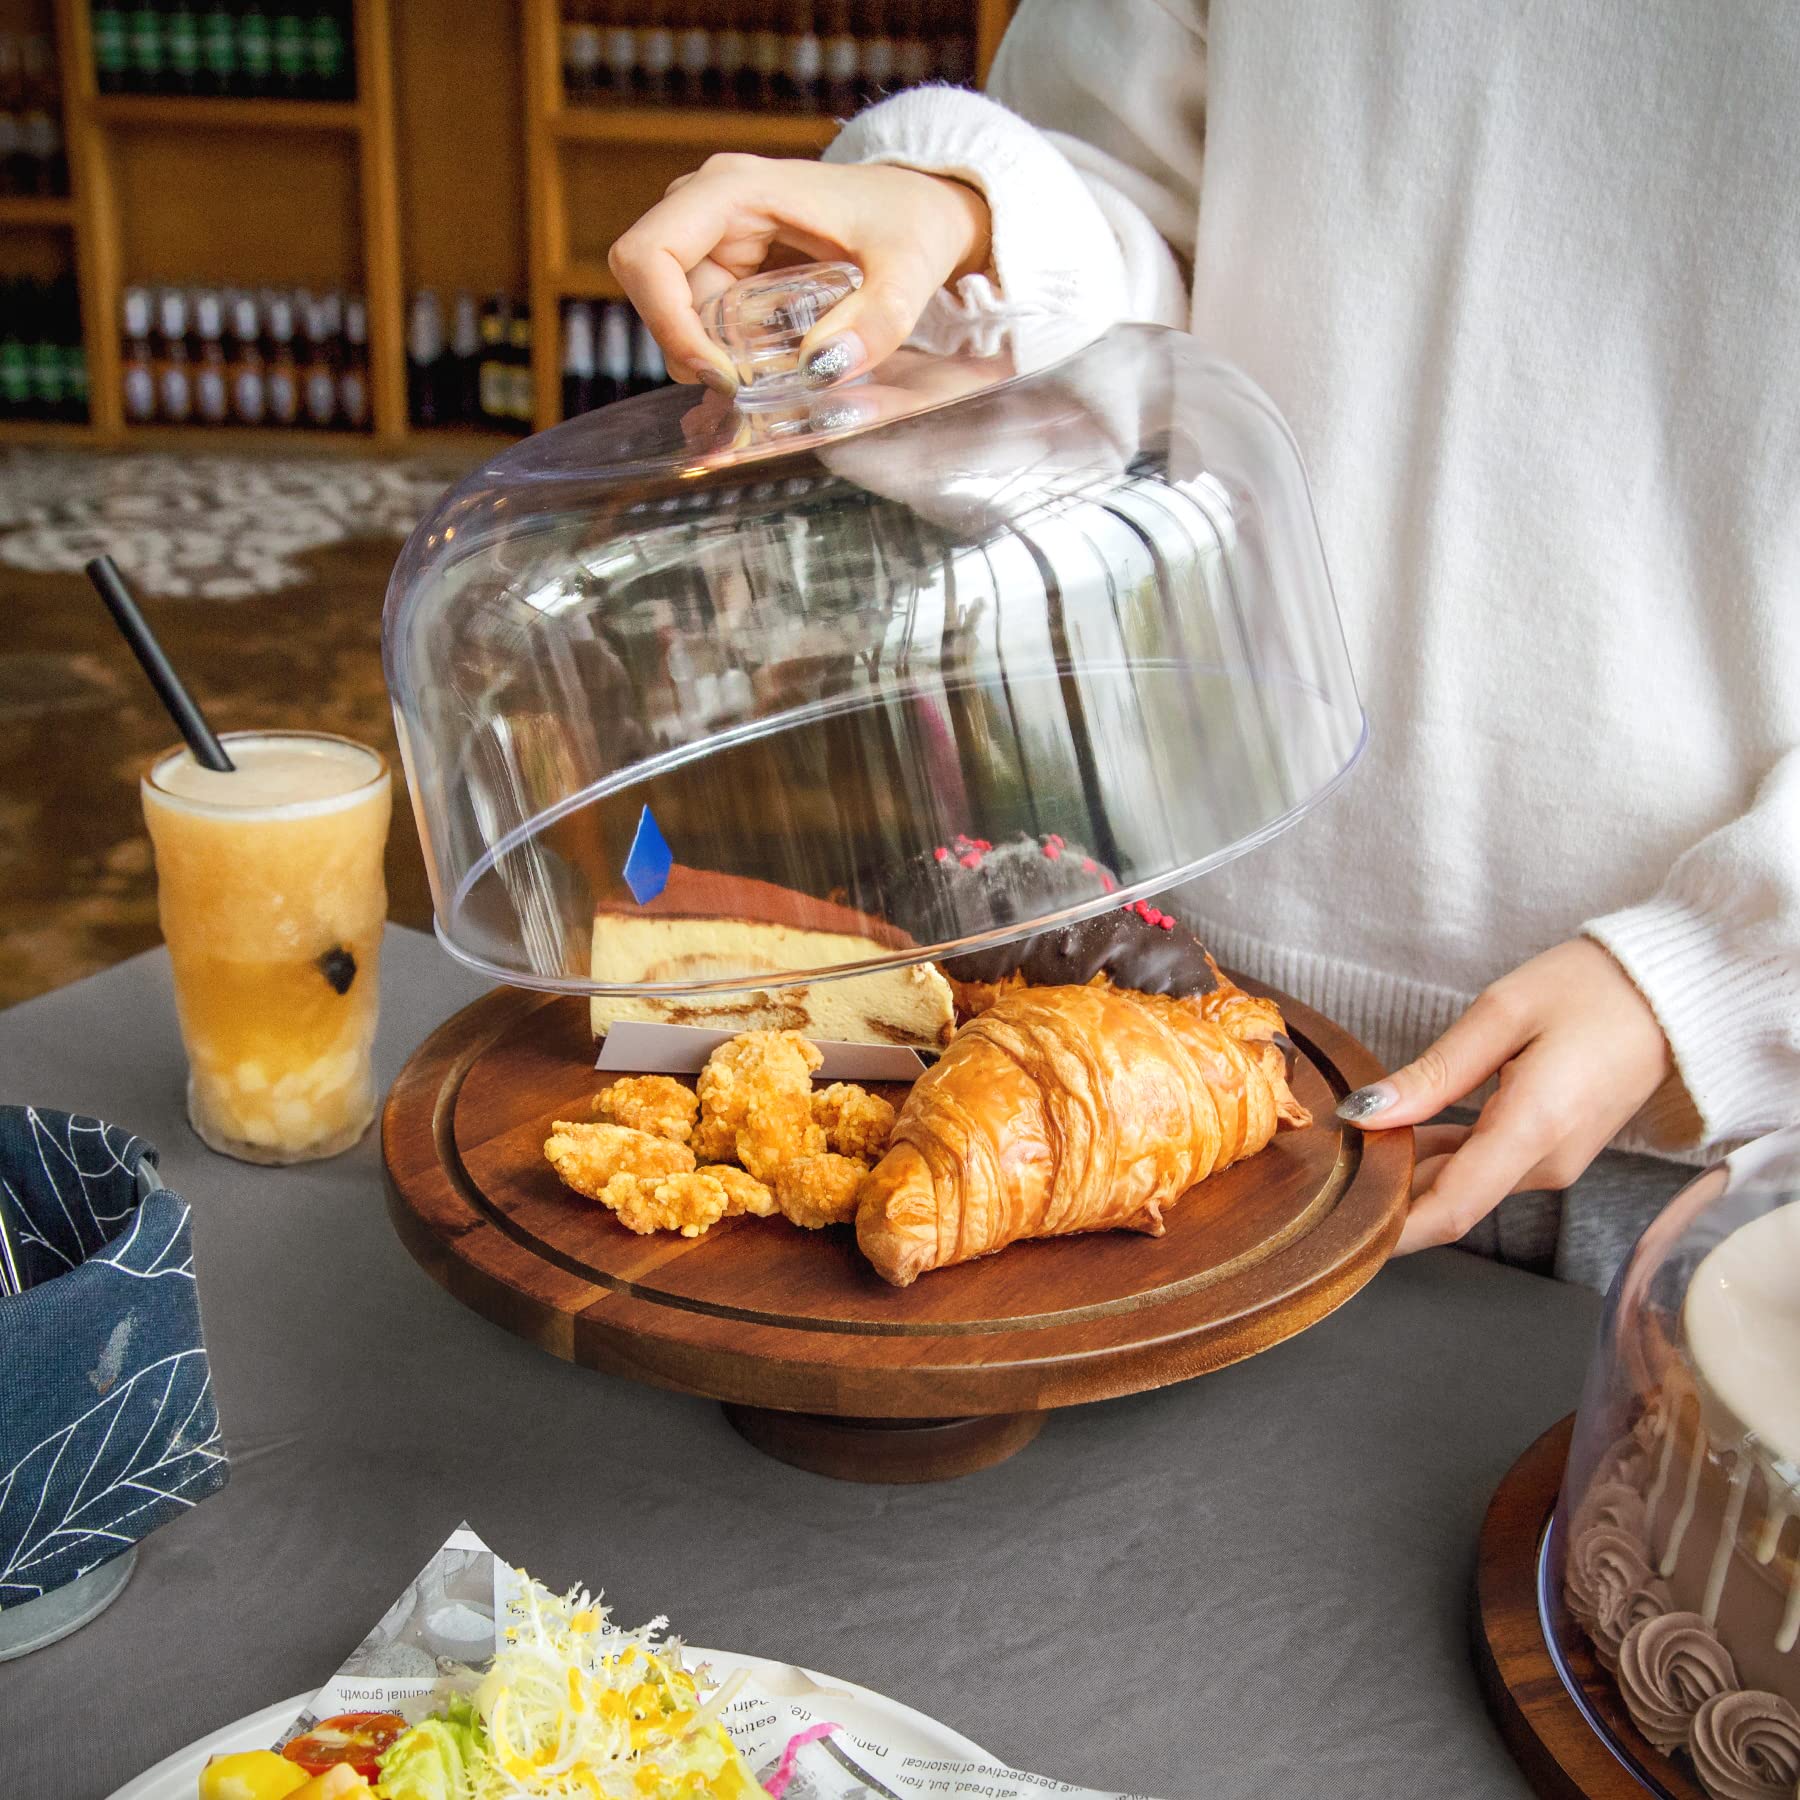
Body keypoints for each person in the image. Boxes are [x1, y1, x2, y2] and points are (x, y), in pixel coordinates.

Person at [608, 1, 1800, 1288]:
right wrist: (962, 228)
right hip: (1162, 1028)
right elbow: (1122, 285)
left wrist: (1713, 979)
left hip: (1703, 1141)